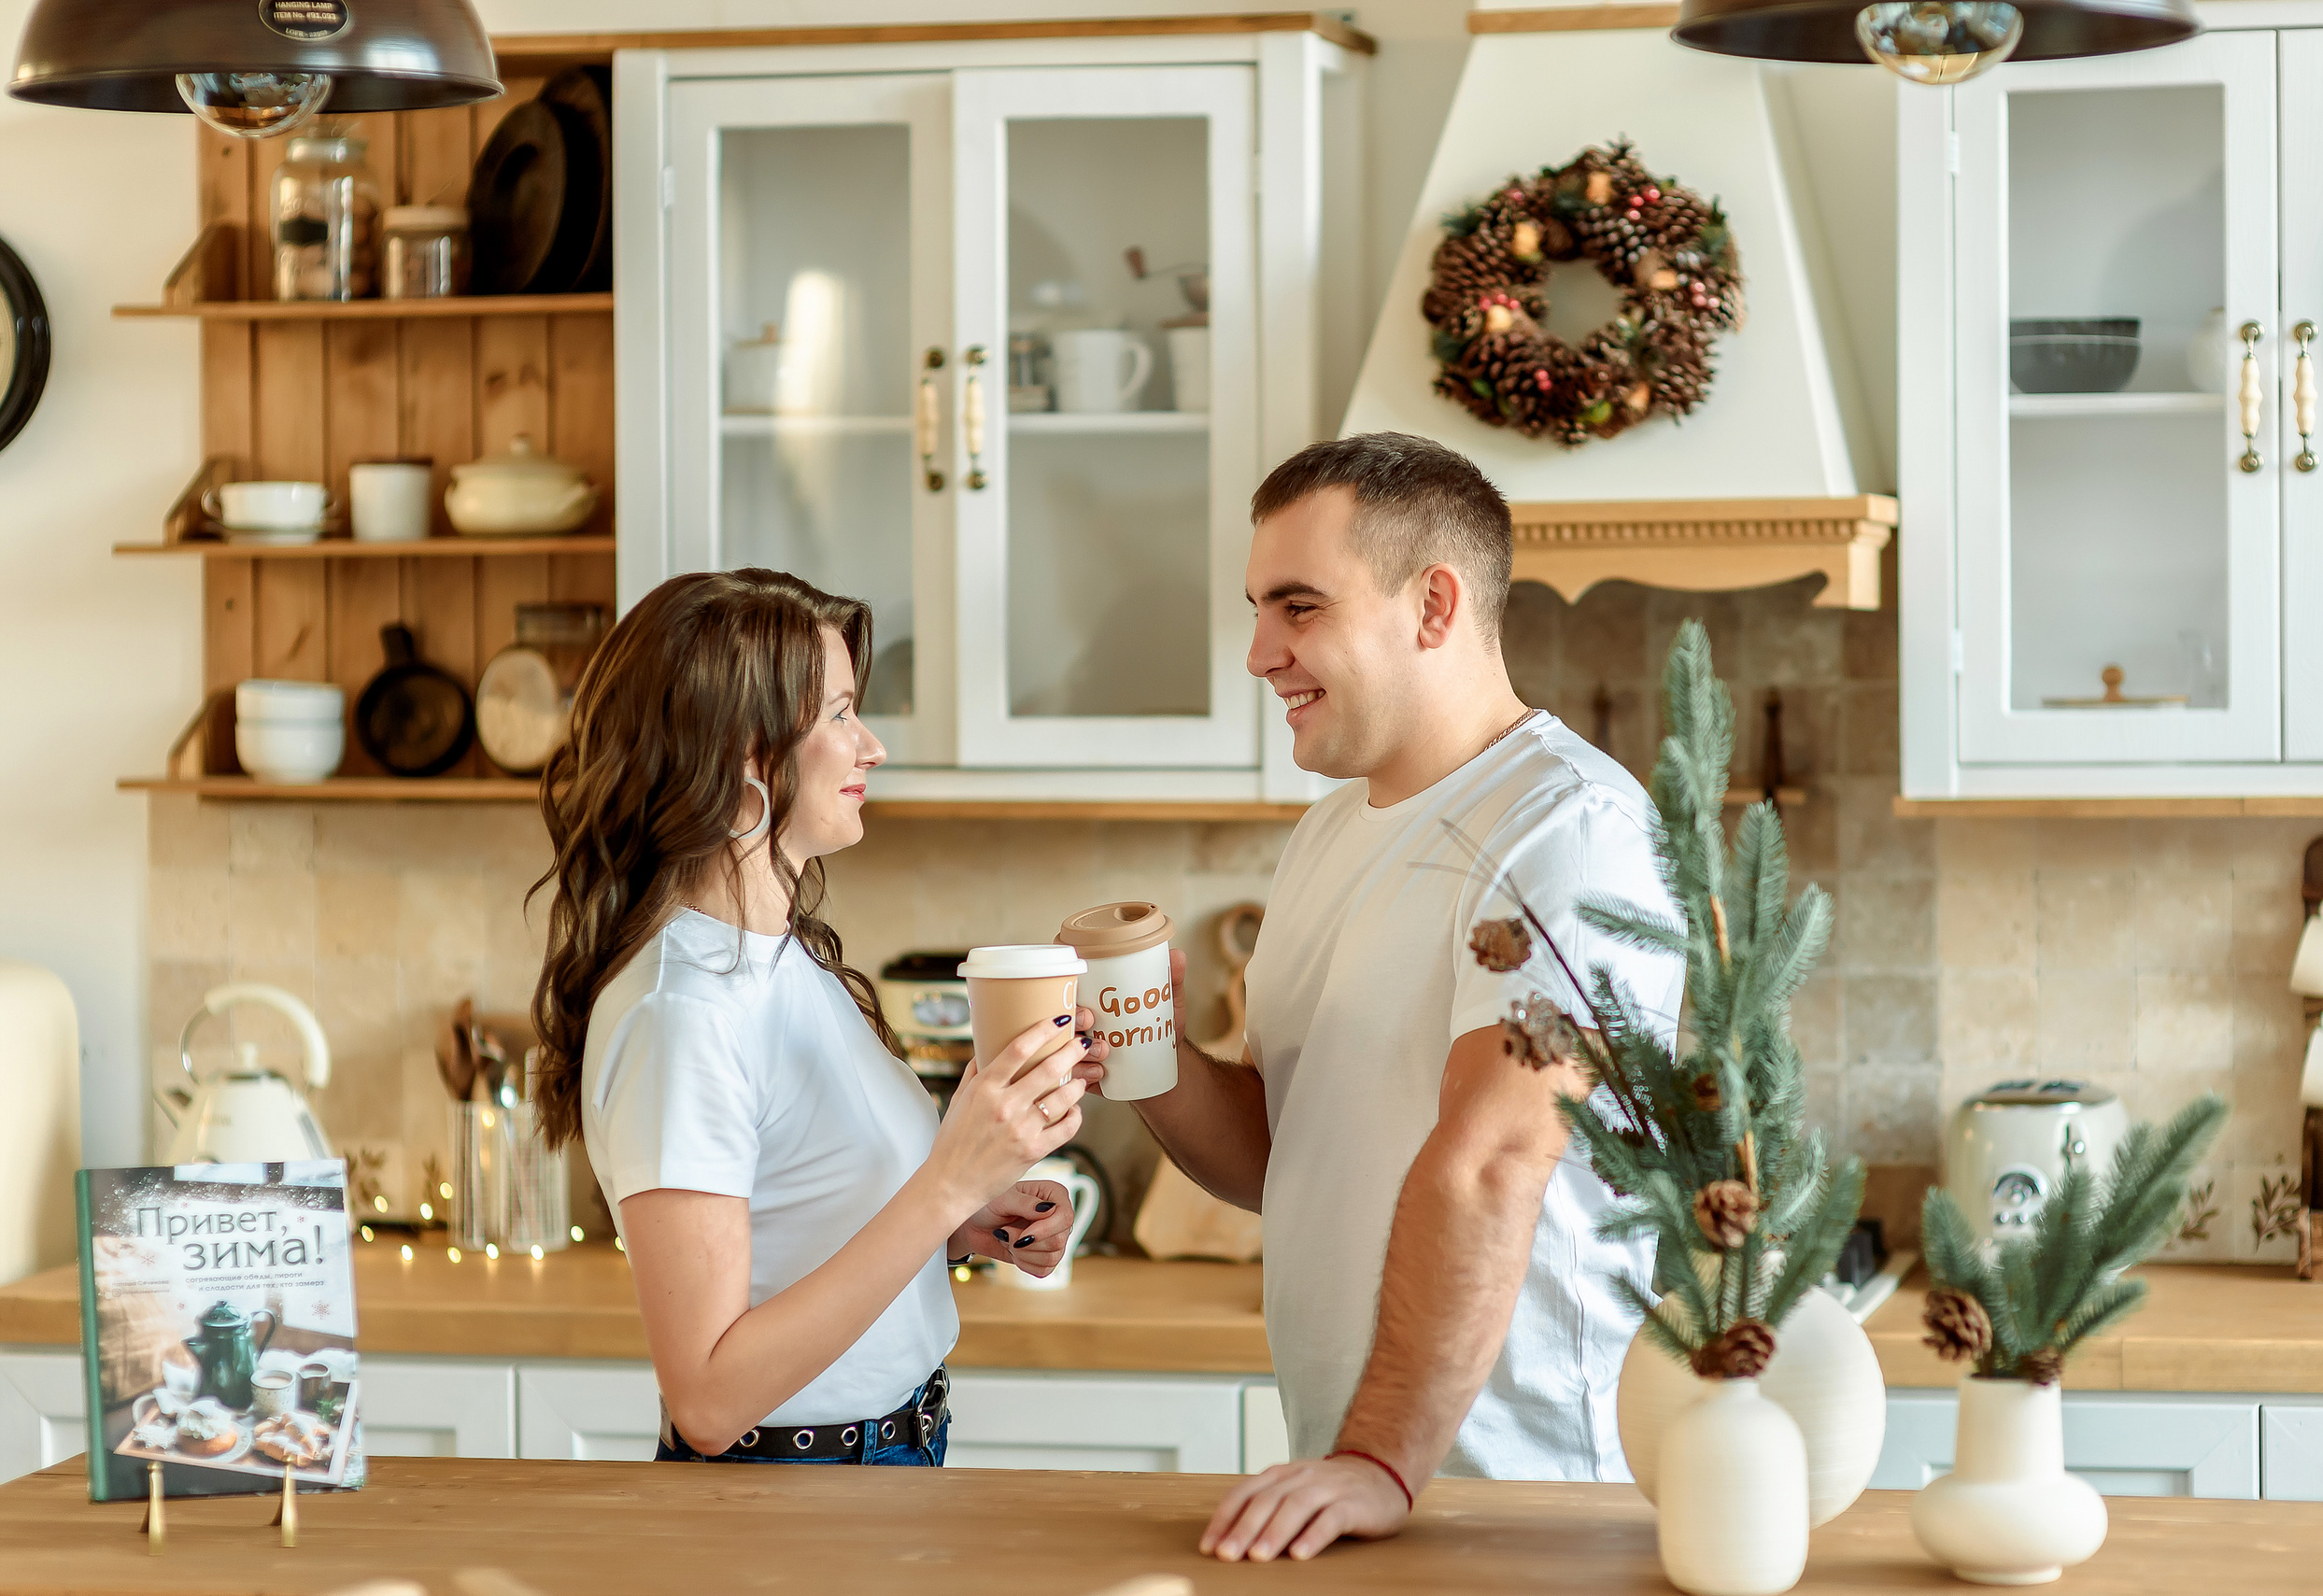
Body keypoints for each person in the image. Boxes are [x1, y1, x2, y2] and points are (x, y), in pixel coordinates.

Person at [1112, 433, 1686, 1559]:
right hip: (1361, 1480)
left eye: (1298, 606)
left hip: (1513, 1496)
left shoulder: (1566, 832)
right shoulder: (1330, 832)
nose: (1259, 652)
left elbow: (1496, 1157)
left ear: (1432, 606)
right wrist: (1141, 1049)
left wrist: (1377, 1456)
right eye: (1256, 608)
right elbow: (1279, 1155)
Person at [529, 569, 1106, 1465]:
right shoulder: (682, 1014)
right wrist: (945, 1183)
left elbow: (799, 1224)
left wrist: (967, 1217)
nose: (870, 744)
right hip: (787, 1492)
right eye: (838, 714)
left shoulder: (780, 957)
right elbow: (711, 1398)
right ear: (742, 759)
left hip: (885, 1460)